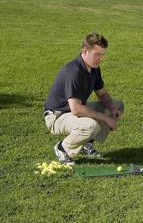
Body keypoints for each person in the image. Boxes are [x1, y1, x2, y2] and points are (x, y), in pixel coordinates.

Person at [44, 33, 124, 166]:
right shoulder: (74, 71)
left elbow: (102, 94)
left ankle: (87, 145)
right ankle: (63, 149)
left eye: (102, 54)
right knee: (90, 125)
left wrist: (112, 109)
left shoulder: (94, 68)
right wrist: (106, 118)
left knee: (117, 105)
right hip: (57, 117)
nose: (101, 58)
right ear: (85, 51)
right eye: (97, 54)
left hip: (72, 111)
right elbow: (76, 109)